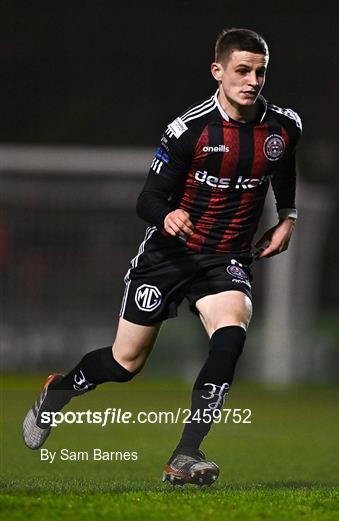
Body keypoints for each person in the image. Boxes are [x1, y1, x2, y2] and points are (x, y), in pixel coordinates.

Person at [22, 27, 302, 486]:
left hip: (225, 257)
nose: (252, 80)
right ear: (218, 71)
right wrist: (168, 214)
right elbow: (147, 199)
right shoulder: (189, 130)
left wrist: (287, 216)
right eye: (242, 70)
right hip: (168, 256)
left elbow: (283, 164)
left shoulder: (284, 126)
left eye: (260, 72)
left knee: (231, 333)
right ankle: (58, 390)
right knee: (124, 364)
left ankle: (186, 453)